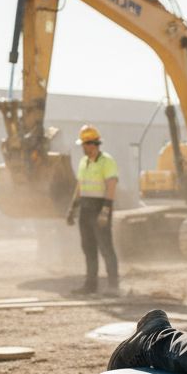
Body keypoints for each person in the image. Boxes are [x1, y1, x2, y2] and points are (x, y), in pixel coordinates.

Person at [66, 124, 119, 295]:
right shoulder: (84, 162)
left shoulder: (107, 161)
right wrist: (72, 208)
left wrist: (105, 210)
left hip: (100, 207)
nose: (82, 147)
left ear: (92, 144)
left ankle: (113, 286)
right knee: (88, 248)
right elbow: (80, 186)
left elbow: (111, 185)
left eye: (84, 144)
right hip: (86, 209)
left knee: (106, 247)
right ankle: (90, 285)